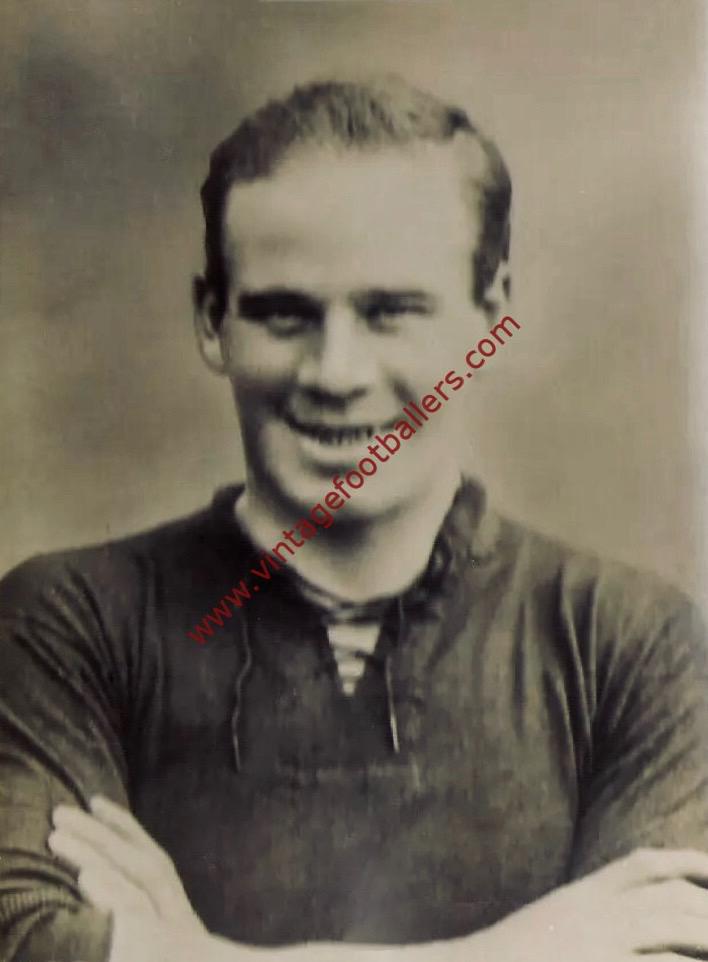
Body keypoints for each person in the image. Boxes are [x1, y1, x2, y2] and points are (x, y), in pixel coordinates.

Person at [2, 76, 708, 962]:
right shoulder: (69, 625)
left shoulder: (629, 645)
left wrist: (178, 951)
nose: (336, 372)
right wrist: (517, 951)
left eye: (391, 312)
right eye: (284, 314)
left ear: (489, 318)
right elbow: (25, 941)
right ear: (213, 322)